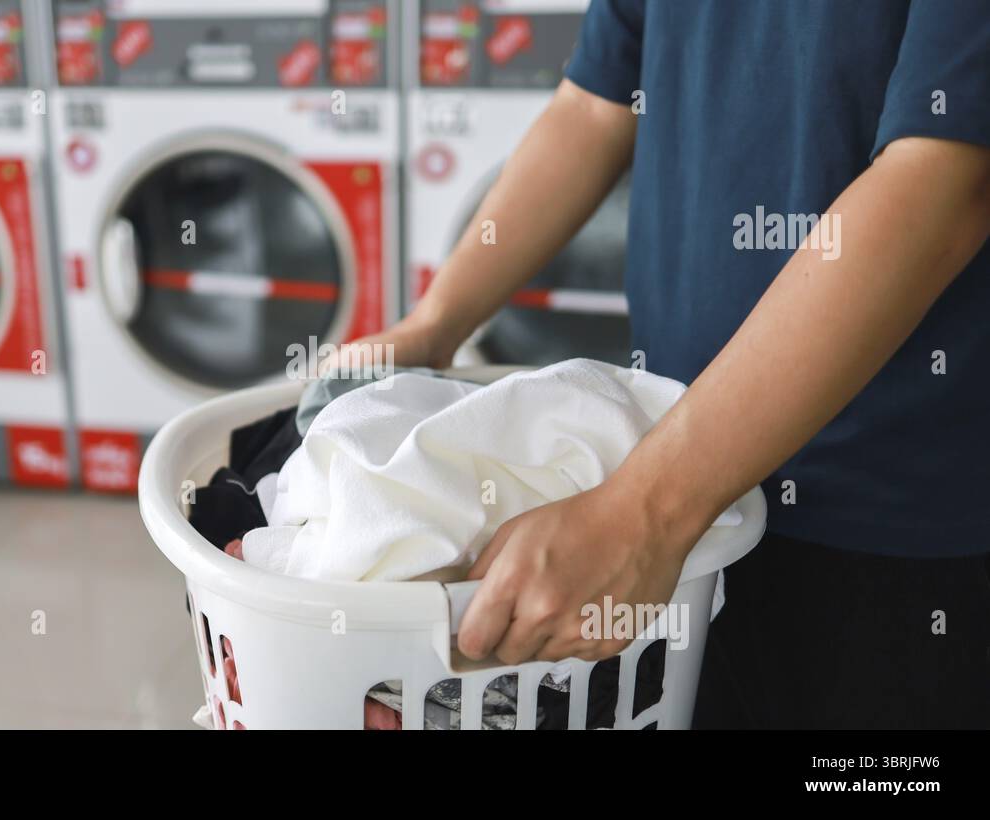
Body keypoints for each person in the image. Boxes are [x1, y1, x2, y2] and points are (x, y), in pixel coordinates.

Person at [331, 0, 990, 728]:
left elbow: (946, 175)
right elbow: (595, 103)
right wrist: (437, 321)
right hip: (675, 479)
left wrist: (646, 512)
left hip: (892, 521)